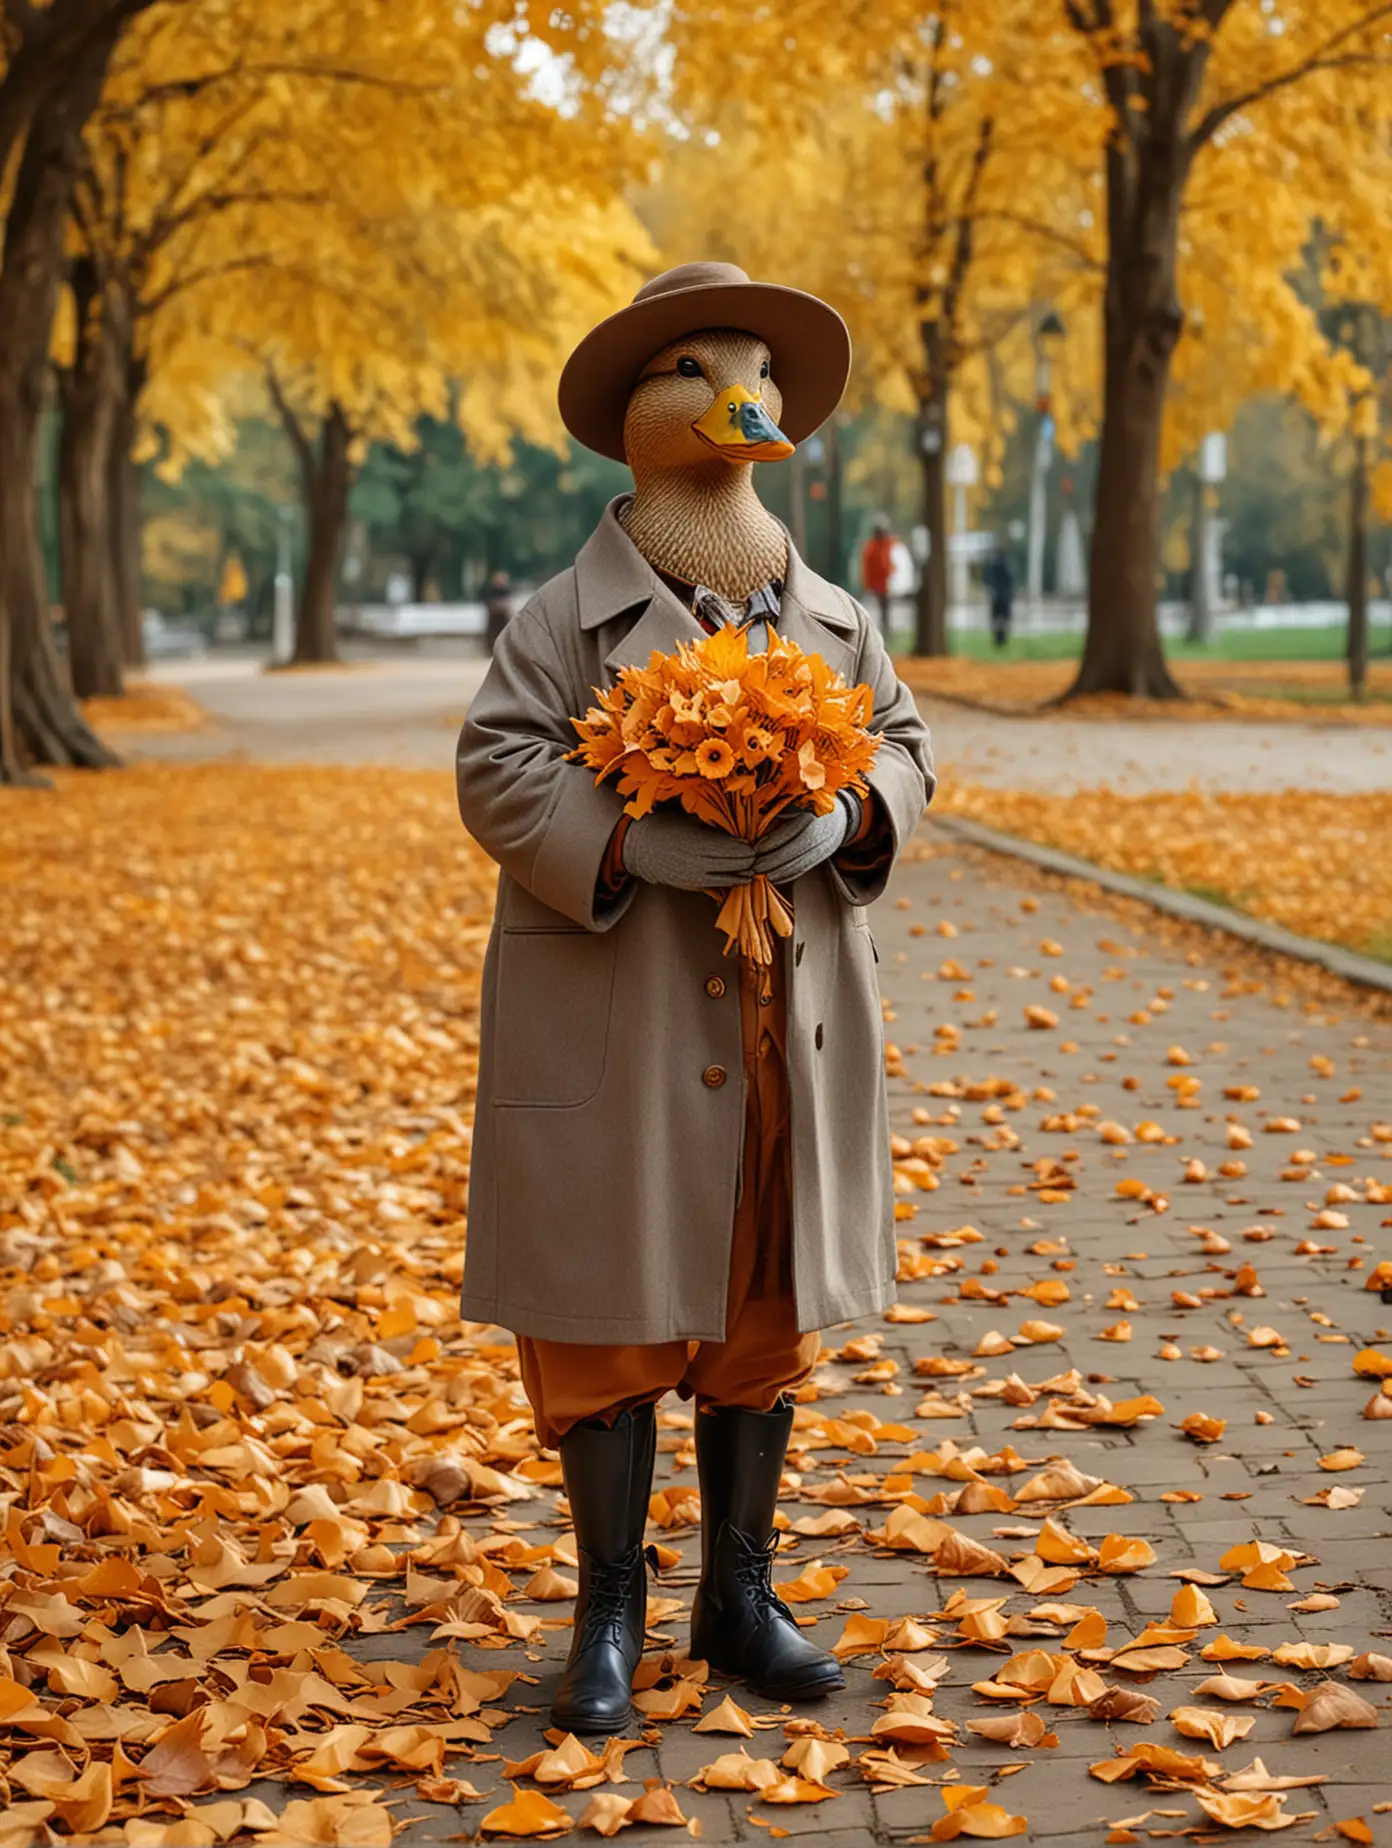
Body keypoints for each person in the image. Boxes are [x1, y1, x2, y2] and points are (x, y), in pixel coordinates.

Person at [455, 261, 935, 1735]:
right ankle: (608, 1609)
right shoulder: (561, 621)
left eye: (755, 372)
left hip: (780, 1011)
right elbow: (494, 766)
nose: (740, 394)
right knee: (605, 1297)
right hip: (623, 1007)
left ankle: (739, 1593)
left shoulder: (839, 620)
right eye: (701, 369)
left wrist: (851, 818)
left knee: (758, 1290)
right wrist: (622, 840)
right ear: (640, 415)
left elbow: (906, 746)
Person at [859, 514, 895, 637]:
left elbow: (888, 564)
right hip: (877, 584)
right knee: (877, 609)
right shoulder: (873, 548)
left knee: (885, 609)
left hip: (884, 583)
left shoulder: (885, 545)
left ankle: (885, 630)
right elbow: (870, 567)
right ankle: (877, 632)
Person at [983, 547, 1014, 649]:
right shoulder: (1007, 566)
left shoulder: (993, 566)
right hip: (1004, 596)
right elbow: (1010, 581)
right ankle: (1002, 640)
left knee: (997, 620)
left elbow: (988, 580)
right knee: (1003, 619)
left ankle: (997, 640)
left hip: (997, 596)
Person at [484, 570, 513, 653]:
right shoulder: (490, 590)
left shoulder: (507, 590)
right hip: (493, 617)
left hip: (503, 618)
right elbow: (488, 602)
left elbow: (509, 602)